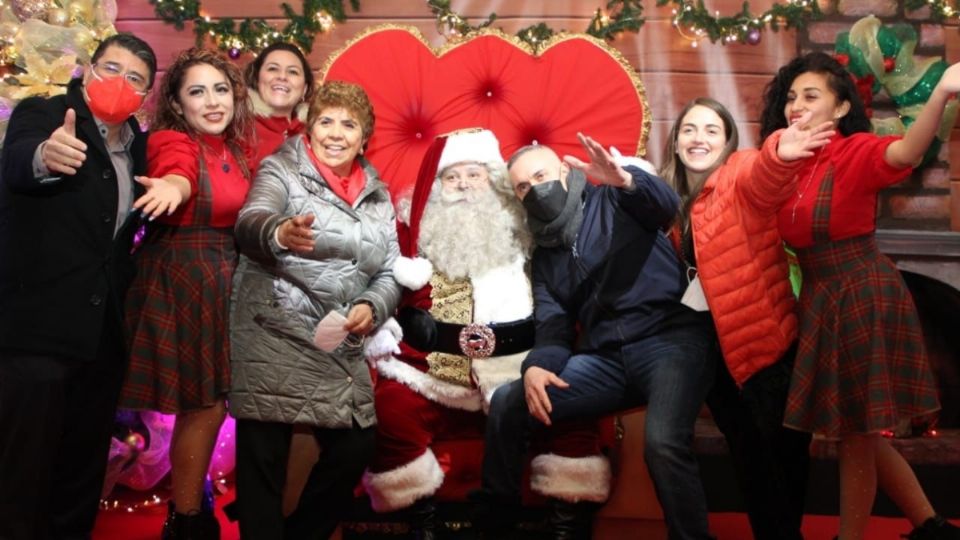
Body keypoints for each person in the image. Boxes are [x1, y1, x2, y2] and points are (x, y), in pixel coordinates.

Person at [360, 128, 612, 539]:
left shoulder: (531, 232)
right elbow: (388, 286)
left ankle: (566, 527)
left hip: (518, 370)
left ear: (494, 181)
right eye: (451, 177)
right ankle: (422, 524)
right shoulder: (414, 237)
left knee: (574, 415)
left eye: (474, 175)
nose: (463, 186)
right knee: (391, 410)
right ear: (436, 186)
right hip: (433, 374)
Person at [475, 134, 718, 540]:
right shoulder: (546, 257)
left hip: (671, 342)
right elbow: (553, 327)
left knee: (662, 443)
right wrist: (535, 367)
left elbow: (664, 206)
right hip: (607, 360)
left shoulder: (612, 200)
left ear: (565, 172)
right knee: (508, 400)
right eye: (523, 186)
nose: (536, 189)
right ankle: (496, 522)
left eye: (541, 175)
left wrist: (626, 181)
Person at [758, 51, 960, 540]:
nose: (795, 106)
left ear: (842, 108)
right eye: (790, 98)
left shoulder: (854, 151)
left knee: (857, 432)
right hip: (822, 299)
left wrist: (941, 93)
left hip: (862, 292)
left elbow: (908, 152)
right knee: (861, 430)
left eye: (811, 96)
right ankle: (931, 525)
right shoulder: (786, 158)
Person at [0, 33, 157, 540]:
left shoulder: (141, 146)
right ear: (88, 70)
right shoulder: (43, 113)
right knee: (20, 478)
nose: (120, 84)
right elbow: (19, 161)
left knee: (80, 479)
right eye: (111, 69)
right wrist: (46, 156)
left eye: (135, 79)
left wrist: (175, 183)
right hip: (36, 333)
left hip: (101, 341)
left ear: (146, 94)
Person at [228, 80, 401, 540]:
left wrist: (370, 304)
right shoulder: (280, 169)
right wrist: (280, 232)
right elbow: (251, 221)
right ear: (310, 128)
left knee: (357, 444)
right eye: (326, 121)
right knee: (263, 456)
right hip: (274, 328)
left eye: (349, 124)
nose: (336, 133)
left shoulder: (378, 196)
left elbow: (389, 273)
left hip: (337, 340)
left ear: (365, 136)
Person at [660, 97, 835, 539]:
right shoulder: (670, 200)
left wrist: (780, 152)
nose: (699, 138)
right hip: (715, 356)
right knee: (749, 459)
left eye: (711, 130)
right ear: (676, 141)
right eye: (690, 129)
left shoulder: (738, 173)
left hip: (766, 347)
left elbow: (765, 176)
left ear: (728, 141)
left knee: (784, 455)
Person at [118, 47, 254, 539]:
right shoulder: (174, 139)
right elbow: (174, 167)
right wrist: (174, 187)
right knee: (205, 405)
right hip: (184, 278)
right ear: (177, 102)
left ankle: (191, 501)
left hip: (226, 277)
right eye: (197, 91)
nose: (212, 102)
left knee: (217, 404)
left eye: (220, 89)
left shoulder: (236, 148)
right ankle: (188, 519)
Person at [245, 41, 313, 173]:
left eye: (293, 72)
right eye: (273, 69)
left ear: (304, 89)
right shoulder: (237, 128)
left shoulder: (316, 133)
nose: (282, 77)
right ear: (257, 79)